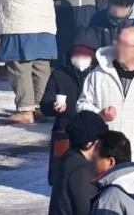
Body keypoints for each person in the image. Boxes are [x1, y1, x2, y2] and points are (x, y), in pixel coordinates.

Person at [76, 26, 134, 167]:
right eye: (118, 43)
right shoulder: (99, 73)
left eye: (125, 45)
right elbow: (82, 105)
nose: (119, 48)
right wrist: (99, 115)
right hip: (103, 156)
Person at [0, 0, 56, 123]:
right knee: (41, 66)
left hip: (21, 23)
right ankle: (40, 107)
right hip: (45, 23)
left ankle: (25, 110)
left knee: (19, 66)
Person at [40, 27, 100, 184]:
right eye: (76, 53)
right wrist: (53, 106)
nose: (80, 58)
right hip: (64, 131)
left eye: (85, 54)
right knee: (60, 177)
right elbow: (45, 104)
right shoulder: (59, 74)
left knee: (90, 177)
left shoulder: (100, 75)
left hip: (92, 136)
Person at [47, 110, 107, 215]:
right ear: (90, 143)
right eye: (102, 139)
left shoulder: (71, 157)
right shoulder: (80, 170)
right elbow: (86, 209)